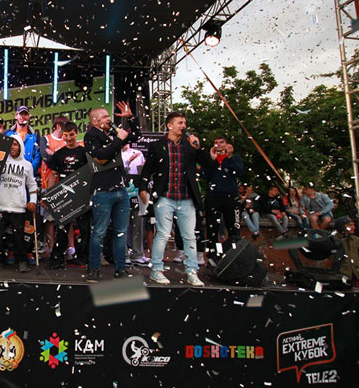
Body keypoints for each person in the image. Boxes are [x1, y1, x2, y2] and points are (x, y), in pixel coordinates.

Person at [138, 111, 214, 286]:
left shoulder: (190, 145)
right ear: (169, 125)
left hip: (186, 197)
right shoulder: (157, 146)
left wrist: (199, 148)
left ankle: (192, 272)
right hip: (164, 196)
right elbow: (147, 169)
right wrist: (143, 187)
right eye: (180, 123)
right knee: (163, 234)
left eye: (184, 123)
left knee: (190, 236)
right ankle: (156, 270)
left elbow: (209, 165)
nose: (184, 126)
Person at [84, 102, 139, 283]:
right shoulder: (91, 135)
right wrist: (118, 140)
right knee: (99, 232)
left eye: (109, 116)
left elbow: (136, 136)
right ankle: (93, 269)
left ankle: (120, 269)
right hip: (103, 191)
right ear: (95, 121)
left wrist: (130, 118)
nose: (109, 119)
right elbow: (101, 157)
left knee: (120, 232)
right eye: (105, 117)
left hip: (121, 190)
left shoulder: (112, 134)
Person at [0, 135, 38, 272]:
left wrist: (33, 201)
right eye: (10, 144)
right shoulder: (0, 161)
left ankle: (22, 262)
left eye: (15, 144)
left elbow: (32, 185)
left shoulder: (27, 165)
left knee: (19, 237)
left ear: (20, 146)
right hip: (2, 206)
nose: (12, 147)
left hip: (19, 207)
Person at [46, 121, 90, 269]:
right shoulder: (59, 154)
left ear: (76, 133)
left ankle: (83, 258)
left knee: (84, 228)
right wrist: (49, 195)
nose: (69, 138)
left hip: (82, 195)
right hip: (64, 196)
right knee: (62, 229)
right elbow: (53, 175)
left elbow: (91, 173)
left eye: (71, 135)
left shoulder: (84, 152)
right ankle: (57, 259)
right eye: (66, 135)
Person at [200, 136, 243, 261]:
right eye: (216, 142)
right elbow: (204, 175)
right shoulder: (211, 159)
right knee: (212, 228)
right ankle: (213, 256)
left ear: (227, 144)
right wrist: (211, 160)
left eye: (221, 142)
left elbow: (239, 172)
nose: (218, 144)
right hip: (213, 197)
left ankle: (234, 256)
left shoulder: (235, 158)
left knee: (233, 227)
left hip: (230, 197)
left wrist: (229, 157)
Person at [40, 116, 70, 255]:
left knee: (66, 218)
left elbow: (67, 160)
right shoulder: (45, 139)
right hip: (48, 183)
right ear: (58, 126)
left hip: (63, 184)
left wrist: (55, 155)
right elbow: (46, 158)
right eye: (65, 126)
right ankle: (51, 248)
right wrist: (59, 157)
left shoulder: (66, 141)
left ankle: (69, 249)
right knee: (49, 219)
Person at [5, 105, 41, 174]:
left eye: (25, 114)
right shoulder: (7, 134)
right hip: (9, 174)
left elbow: (38, 156)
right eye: (21, 114)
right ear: (16, 116)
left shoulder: (35, 136)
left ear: (29, 117)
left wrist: (30, 171)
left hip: (28, 174)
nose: (23, 117)